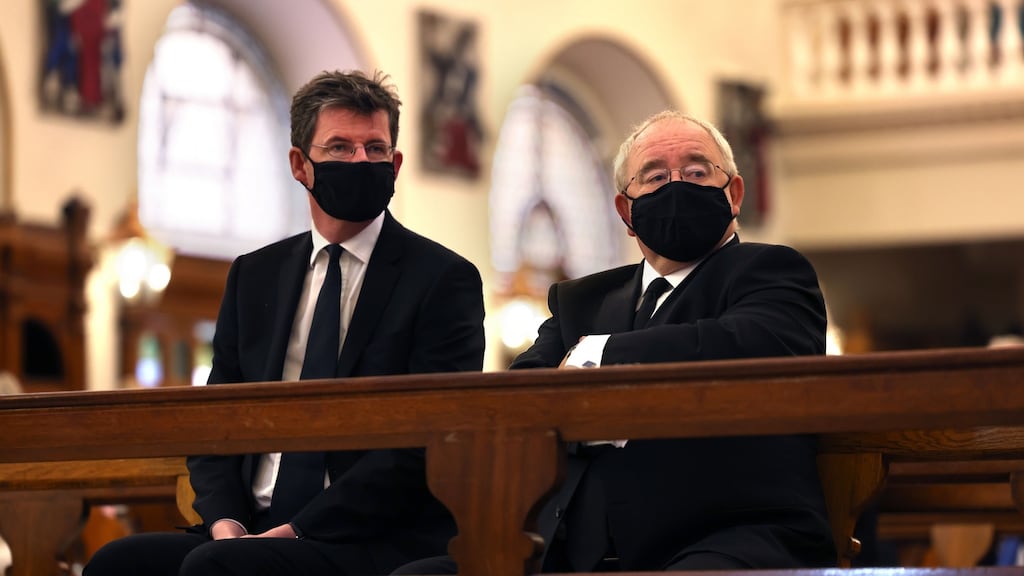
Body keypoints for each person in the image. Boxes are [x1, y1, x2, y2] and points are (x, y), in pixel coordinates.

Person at [393, 110, 836, 574]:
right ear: (626, 211)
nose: (676, 186)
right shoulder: (583, 299)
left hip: (725, 536)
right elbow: (522, 390)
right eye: (655, 176)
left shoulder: (771, 272)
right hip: (567, 549)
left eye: (697, 171)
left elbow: (751, 344)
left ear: (735, 193)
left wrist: (600, 356)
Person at [85, 70, 486, 576]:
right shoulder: (255, 275)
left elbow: (427, 440)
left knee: (217, 570)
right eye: (340, 148)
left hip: (371, 535)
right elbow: (216, 418)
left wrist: (297, 531)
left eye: (375, 149)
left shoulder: (442, 279)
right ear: (301, 164)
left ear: (396, 162)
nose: (361, 161)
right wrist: (226, 521)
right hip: (251, 522)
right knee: (118, 563)